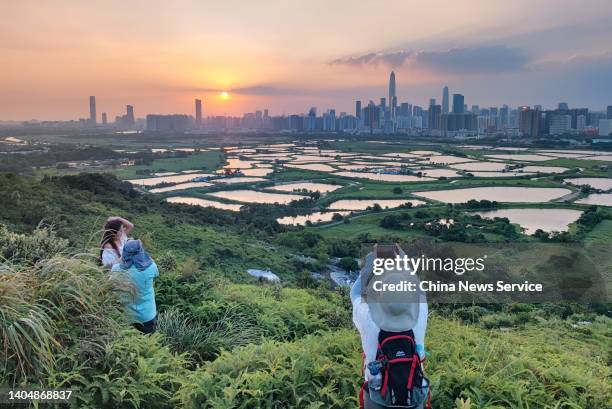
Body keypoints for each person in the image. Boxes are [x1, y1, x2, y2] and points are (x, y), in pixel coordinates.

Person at [351, 244, 429, 409]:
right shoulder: (419, 312)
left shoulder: (368, 316)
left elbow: (355, 293)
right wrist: (404, 261)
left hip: (379, 395)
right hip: (413, 394)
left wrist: (369, 265)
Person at [112, 239, 159, 334]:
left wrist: (122, 258)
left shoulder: (116, 269)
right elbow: (156, 274)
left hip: (126, 316)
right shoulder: (151, 267)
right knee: (148, 344)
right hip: (147, 315)